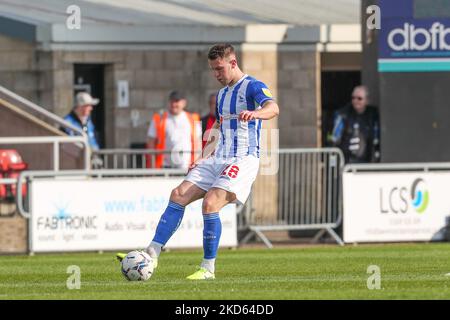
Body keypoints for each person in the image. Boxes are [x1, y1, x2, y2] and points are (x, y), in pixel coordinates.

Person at [117, 43, 280, 280]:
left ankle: (208, 269)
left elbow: (273, 108)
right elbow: (217, 125)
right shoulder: (223, 94)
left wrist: (256, 113)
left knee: (210, 203)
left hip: (243, 158)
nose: (216, 74)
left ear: (233, 63)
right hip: (218, 157)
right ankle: (152, 252)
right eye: (213, 70)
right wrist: (203, 157)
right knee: (178, 193)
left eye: (219, 69)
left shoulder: (253, 86)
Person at [146, 91, 202, 169]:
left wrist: (197, 165)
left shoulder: (192, 119)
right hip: (165, 166)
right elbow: (151, 143)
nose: (173, 104)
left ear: (183, 103)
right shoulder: (159, 119)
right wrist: (152, 166)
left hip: (187, 166)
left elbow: (198, 143)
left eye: (176, 101)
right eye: (171, 101)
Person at [331, 85, 380, 163]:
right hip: (348, 162)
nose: (355, 101)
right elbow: (334, 139)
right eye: (353, 98)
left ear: (367, 100)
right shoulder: (343, 114)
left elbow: (376, 137)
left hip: (367, 162)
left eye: (359, 98)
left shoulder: (373, 115)